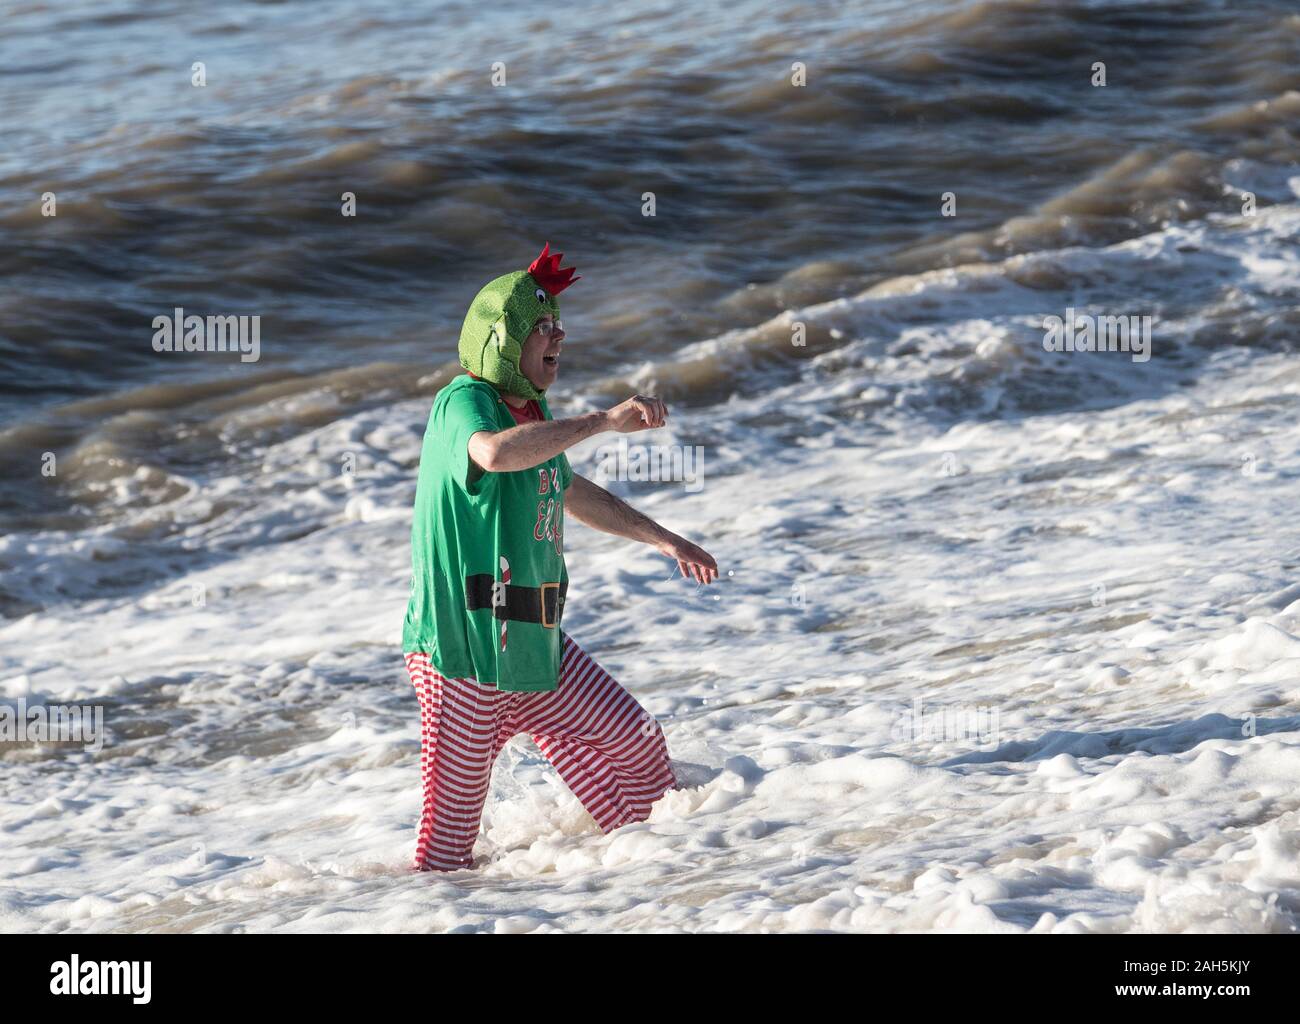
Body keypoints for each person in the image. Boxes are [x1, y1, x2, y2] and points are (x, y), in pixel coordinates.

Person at [401, 243, 719, 871]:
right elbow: (493, 454)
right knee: (448, 851)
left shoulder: (535, 412)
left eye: (558, 326)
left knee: (636, 741)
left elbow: (568, 489)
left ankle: (652, 878)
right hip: (462, 651)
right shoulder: (462, 402)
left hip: (532, 638)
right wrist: (604, 420)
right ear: (500, 338)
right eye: (540, 327)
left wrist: (665, 539)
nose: (558, 336)